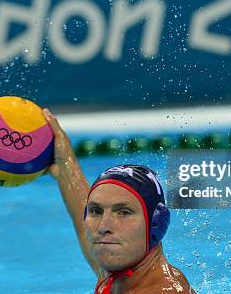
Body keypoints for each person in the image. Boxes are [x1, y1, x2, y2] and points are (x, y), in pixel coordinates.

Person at [42, 109, 195, 294]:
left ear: (155, 224)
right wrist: (64, 166)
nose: (103, 226)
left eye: (123, 212)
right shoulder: (119, 275)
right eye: (96, 211)